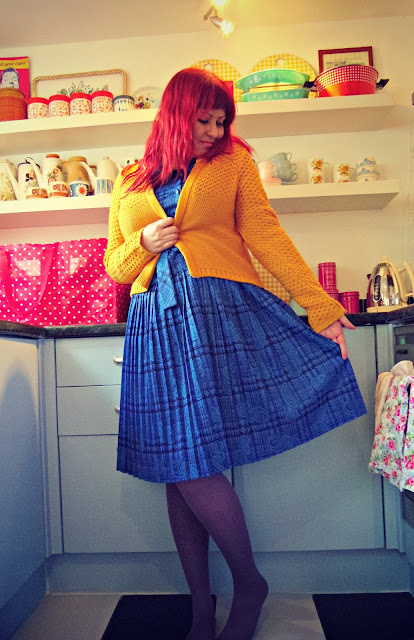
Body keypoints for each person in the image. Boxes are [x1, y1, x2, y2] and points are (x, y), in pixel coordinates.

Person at [104, 67, 366, 640]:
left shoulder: (234, 164)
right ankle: (201, 605)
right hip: (154, 325)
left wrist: (319, 306)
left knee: (192, 462)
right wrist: (143, 243)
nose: (215, 131)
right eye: (205, 120)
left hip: (216, 317)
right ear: (177, 115)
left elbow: (265, 234)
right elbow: (114, 265)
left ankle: (248, 584)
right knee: (175, 466)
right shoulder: (129, 179)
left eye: (222, 122)